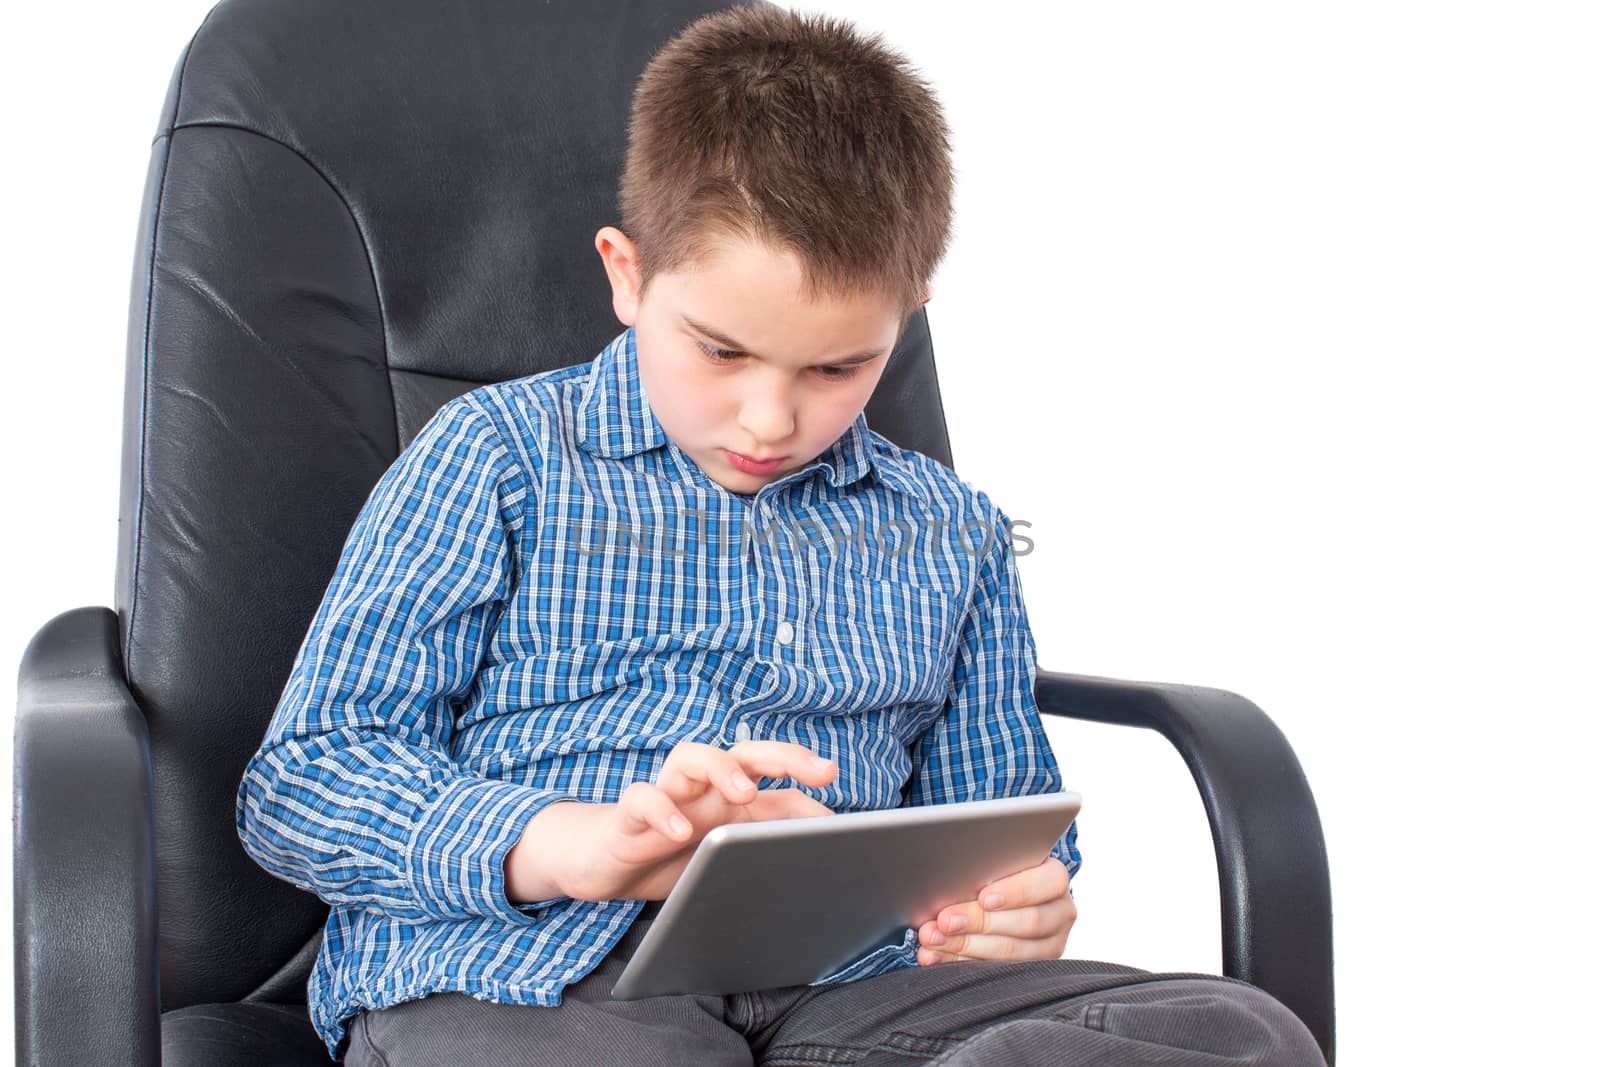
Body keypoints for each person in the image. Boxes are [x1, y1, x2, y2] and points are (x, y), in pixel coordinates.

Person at [235, 5, 1325, 1064]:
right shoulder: (497, 457)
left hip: (851, 982)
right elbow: (307, 781)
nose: (769, 419)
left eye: (836, 368)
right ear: (627, 274)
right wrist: (575, 843)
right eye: (718, 351)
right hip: (528, 974)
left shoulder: (951, 531)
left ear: (903, 317)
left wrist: (1014, 901)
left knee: (1243, 1034)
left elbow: (995, 820)